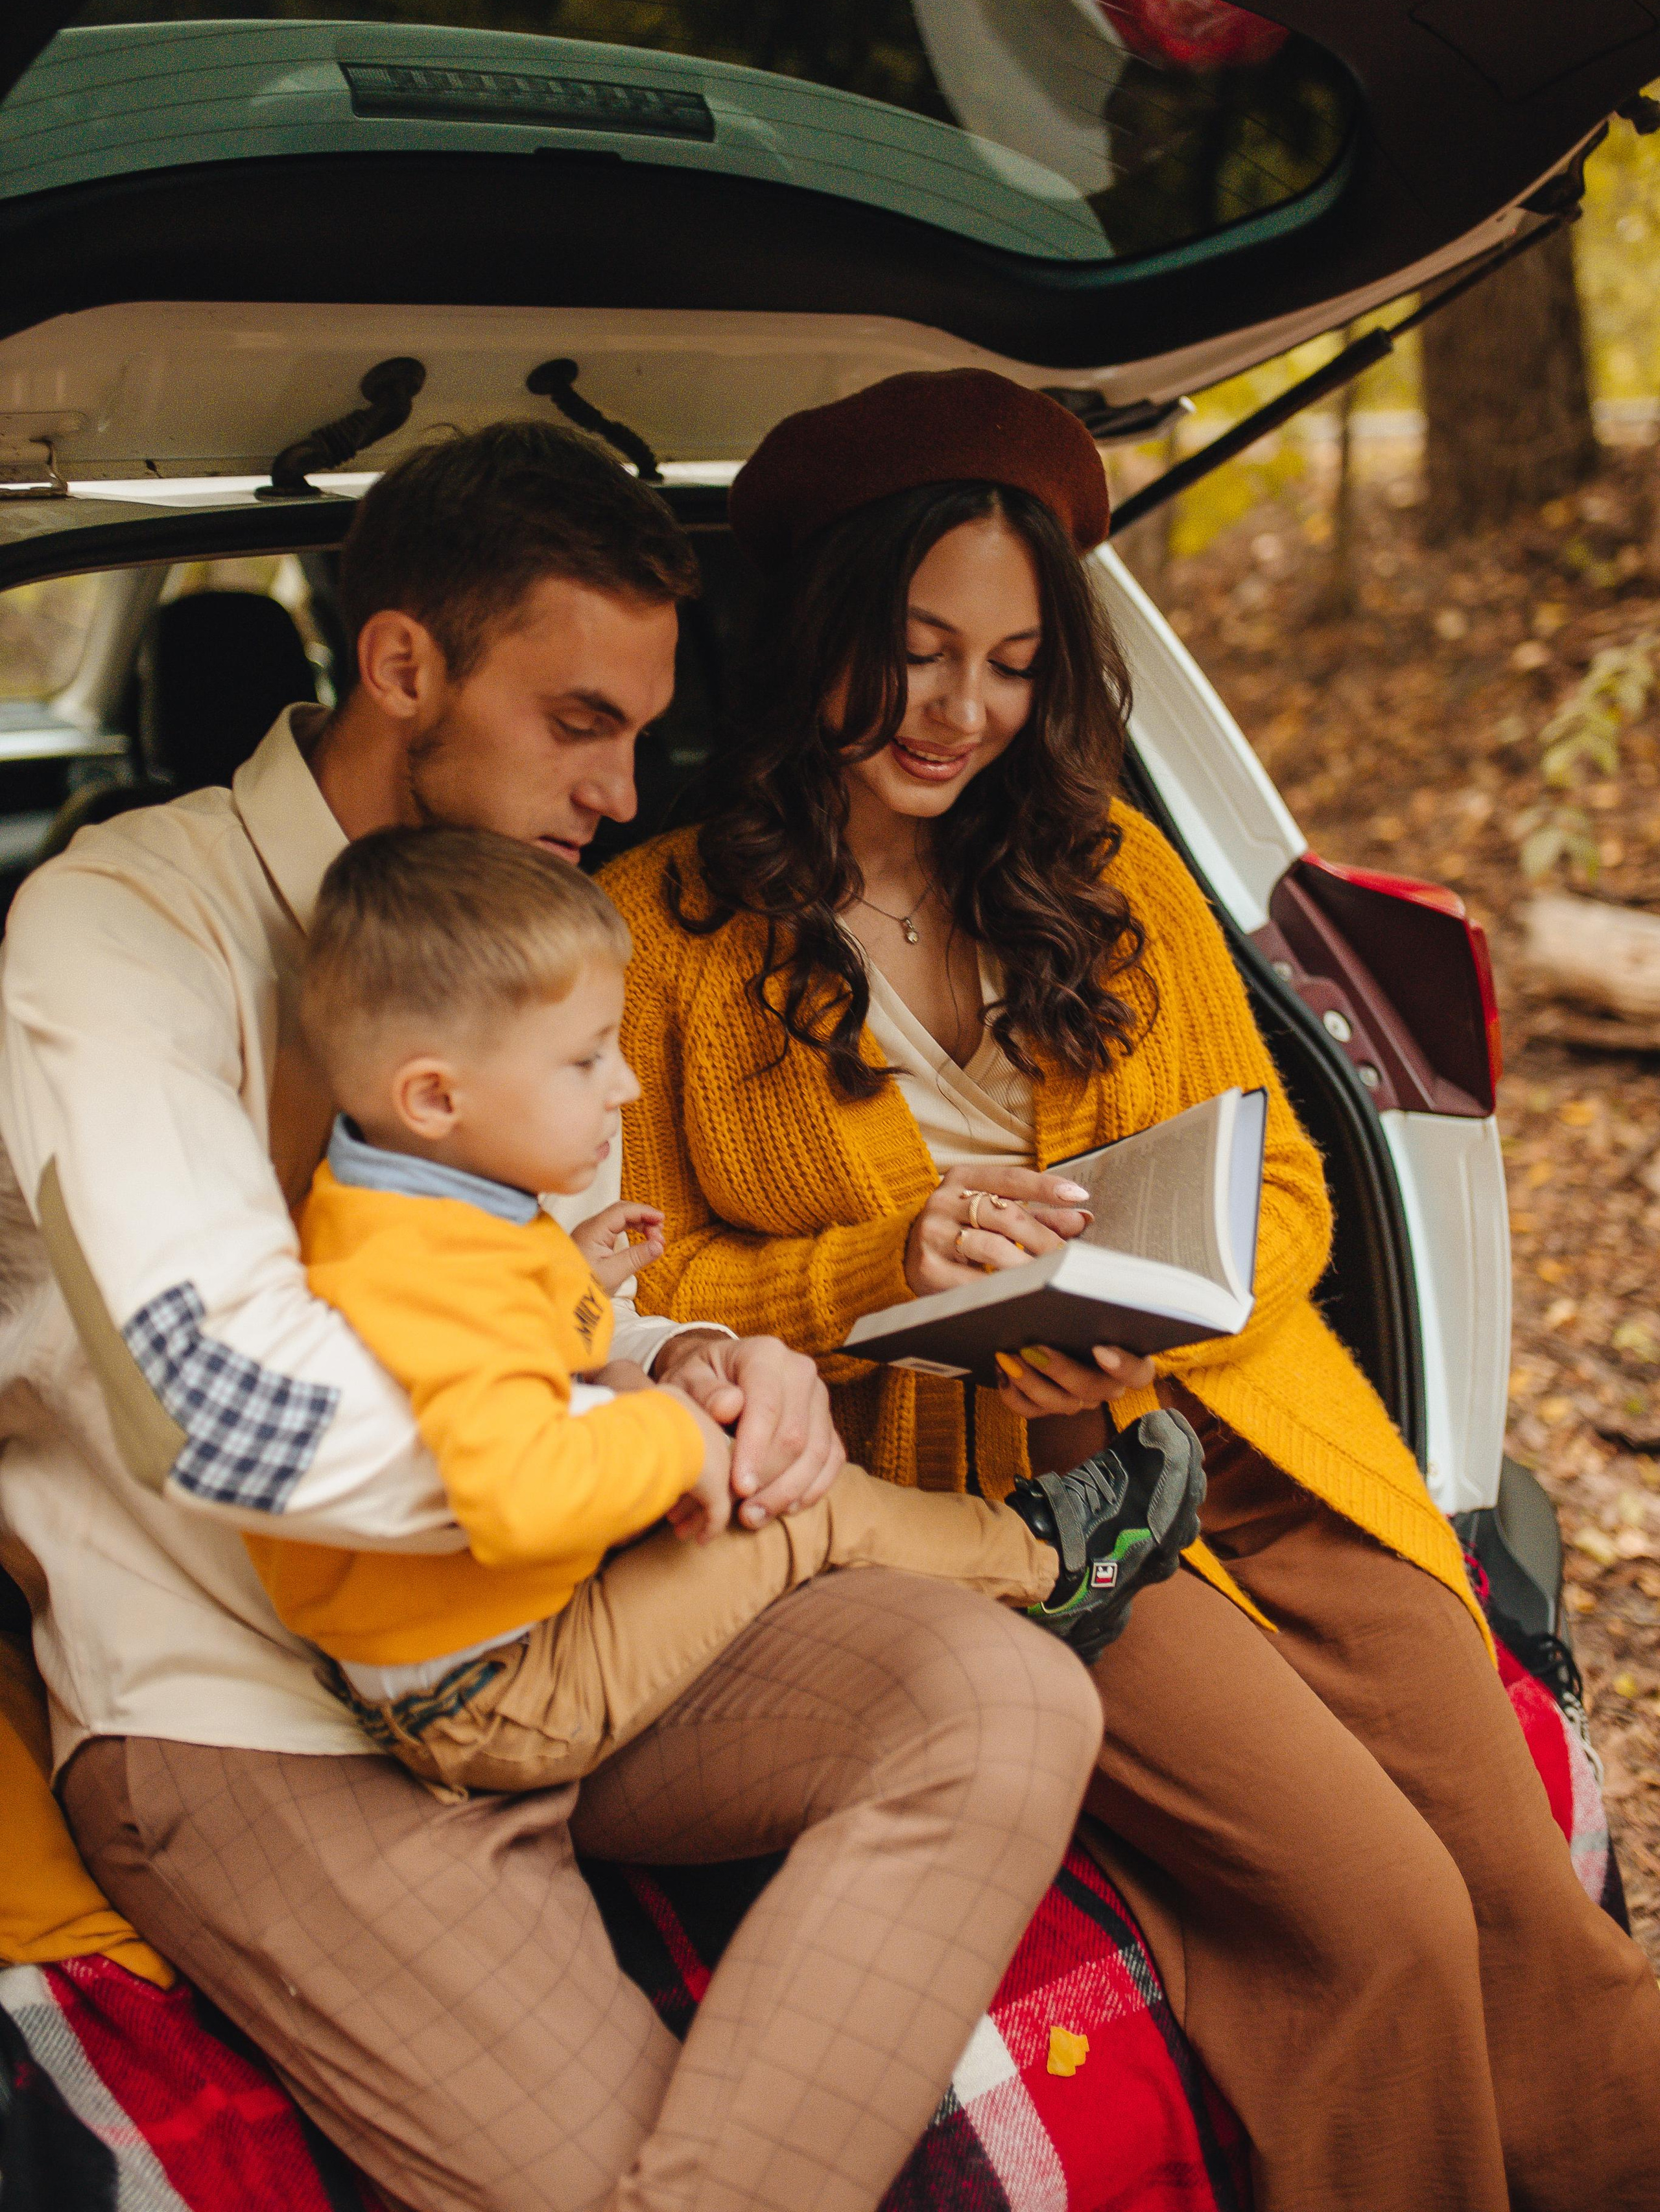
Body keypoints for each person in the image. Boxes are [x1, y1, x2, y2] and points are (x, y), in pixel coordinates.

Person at [0, 419, 1110, 2212]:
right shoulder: (119, 926)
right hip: (257, 1716)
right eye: (577, 722)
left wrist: (705, 1364)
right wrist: (650, 1444)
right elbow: (233, 1414)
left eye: (642, 730)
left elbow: (580, 1284)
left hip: (561, 1637)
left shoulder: (535, 925)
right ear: (403, 666)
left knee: (1005, 1692)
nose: (619, 787)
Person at [602, 367, 1660, 2212]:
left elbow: (1301, 1186)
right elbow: (615, 1292)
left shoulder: (1106, 869)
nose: (961, 712)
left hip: (1238, 1422)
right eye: (917, 651)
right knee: (1385, 1914)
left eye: (1011, 664)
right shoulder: (652, 933)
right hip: (997, 1514)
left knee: (1515, 1880)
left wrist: (1166, 1286)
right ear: (820, 632)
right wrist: (880, 1268)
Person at [255, 821, 1203, 1796]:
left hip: (473, 1640)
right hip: (498, 1694)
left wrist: (576, 1288)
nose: (622, 1086)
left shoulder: (399, 1210)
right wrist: (672, 1435)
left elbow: (485, 1358)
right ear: (433, 1097)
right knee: (787, 1506)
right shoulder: (425, 1268)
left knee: (695, 1422)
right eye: (584, 1062)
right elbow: (512, 1487)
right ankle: (1053, 1567)